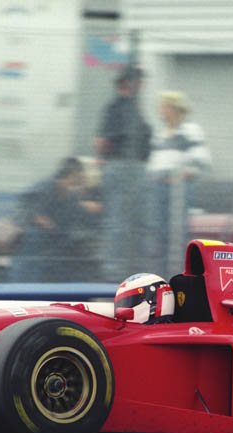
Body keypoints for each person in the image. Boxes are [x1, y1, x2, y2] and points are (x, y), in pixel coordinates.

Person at [95, 64, 152, 281]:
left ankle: (129, 268)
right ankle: (115, 272)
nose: (142, 85)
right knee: (119, 222)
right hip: (121, 168)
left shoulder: (133, 107)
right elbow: (102, 141)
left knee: (132, 222)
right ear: (129, 83)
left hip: (134, 169)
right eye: (139, 81)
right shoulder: (116, 107)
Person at [147, 90, 211, 277]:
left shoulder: (190, 131)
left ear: (174, 109)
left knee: (177, 234)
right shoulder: (160, 134)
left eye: (164, 107)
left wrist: (184, 174)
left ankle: (180, 275)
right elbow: (154, 161)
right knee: (159, 234)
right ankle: (159, 275)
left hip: (177, 191)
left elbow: (203, 160)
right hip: (158, 189)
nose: (160, 111)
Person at [8, 157, 103, 282]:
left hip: (57, 263)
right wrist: (36, 218)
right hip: (33, 262)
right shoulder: (42, 189)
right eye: (79, 178)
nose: (79, 184)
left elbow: (82, 220)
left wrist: (93, 209)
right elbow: (20, 212)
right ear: (71, 174)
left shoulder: (71, 198)